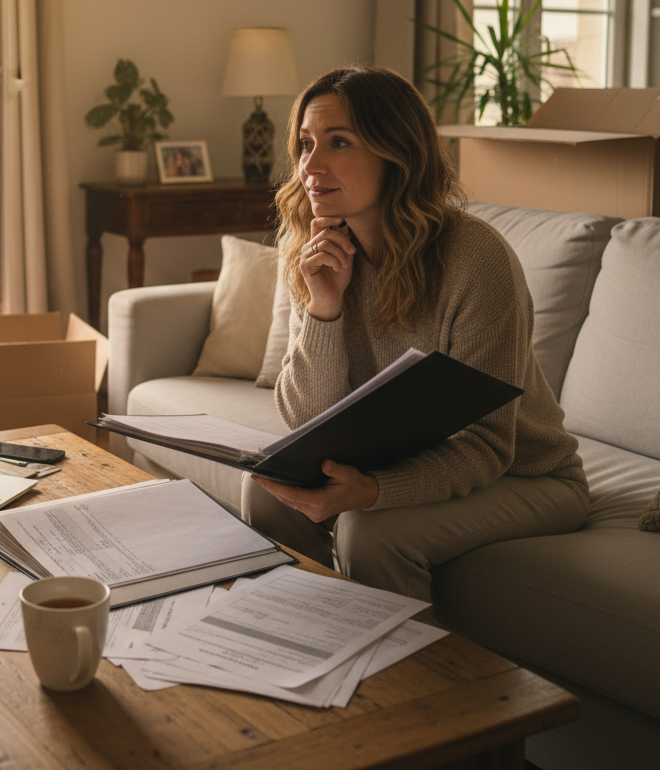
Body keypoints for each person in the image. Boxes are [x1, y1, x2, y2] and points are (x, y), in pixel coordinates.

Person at [242, 65, 589, 602]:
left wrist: (376, 490)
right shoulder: (314, 250)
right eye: (306, 144)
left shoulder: (475, 259)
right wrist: (325, 308)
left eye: (338, 142)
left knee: (370, 532)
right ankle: (306, 646)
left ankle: (407, 684)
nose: (310, 166)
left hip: (529, 476)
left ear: (395, 153)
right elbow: (304, 421)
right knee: (265, 493)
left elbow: (488, 444)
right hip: (403, 455)